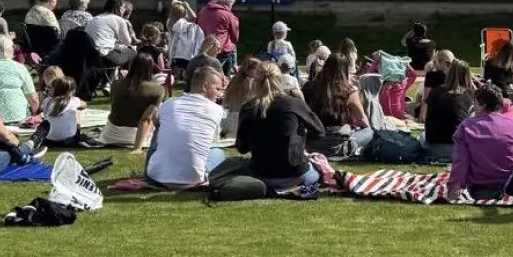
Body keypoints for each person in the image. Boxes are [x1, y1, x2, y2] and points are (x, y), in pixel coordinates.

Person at [234, 60, 325, 190]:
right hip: (296, 174)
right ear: (280, 79)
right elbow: (320, 131)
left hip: (261, 175)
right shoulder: (293, 103)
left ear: (255, 81)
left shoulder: (248, 107)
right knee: (319, 167)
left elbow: (242, 147)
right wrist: (299, 137)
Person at [145, 66, 229, 188]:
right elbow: (214, 139)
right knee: (218, 153)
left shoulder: (169, 103)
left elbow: (155, 121)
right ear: (205, 87)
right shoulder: (217, 110)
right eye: (217, 89)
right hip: (194, 178)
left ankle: (161, 166)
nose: (219, 94)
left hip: (156, 177)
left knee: (160, 127)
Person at [449, 84, 513, 200]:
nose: (473, 106)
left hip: (480, 189)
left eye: (474, 103)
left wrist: (454, 187)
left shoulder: (466, 128)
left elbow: (460, 162)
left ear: (482, 104)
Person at [303, 53, 370, 156]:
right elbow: (362, 120)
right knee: (369, 132)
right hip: (335, 144)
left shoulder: (309, 87)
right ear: (345, 70)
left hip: (311, 142)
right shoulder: (348, 91)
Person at [101, 53, 166, 150]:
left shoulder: (115, 84)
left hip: (110, 135)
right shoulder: (158, 90)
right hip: (135, 137)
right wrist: (137, 148)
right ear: (150, 67)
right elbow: (145, 120)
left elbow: (115, 107)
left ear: (131, 65)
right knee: (159, 108)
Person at [421, 59, 476, 160]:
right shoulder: (469, 97)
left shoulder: (435, 91)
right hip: (458, 149)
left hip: (433, 146)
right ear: (467, 76)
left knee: (422, 135)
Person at [0, 34, 38, 124]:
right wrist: (34, 114)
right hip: (19, 116)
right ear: (9, 49)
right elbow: (33, 98)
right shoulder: (20, 68)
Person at [84, 0, 137, 67]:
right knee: (134, 53)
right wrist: (131, 31)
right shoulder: (119, 20)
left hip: (88, 55)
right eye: (124, 7)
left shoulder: (94, 18)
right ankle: (127, 76)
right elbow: (127, 42)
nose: (124, 10)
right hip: (104, 56)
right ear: (118, 8)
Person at [195, 0, 241, 75]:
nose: (231, 7)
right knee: (222, 73)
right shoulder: (229, 15)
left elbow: (197, 23)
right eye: (232, 5)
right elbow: (235, 37)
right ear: (229, 4)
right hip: (220, 48)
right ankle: (232, 71)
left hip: (204, 45)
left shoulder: (203, 10)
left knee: (204, 71)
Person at [38, 73, 88, 146]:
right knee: (78, 114)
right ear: (72, 90)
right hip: (69, 140)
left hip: (49, 141)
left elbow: (43, 111)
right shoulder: (74, 100)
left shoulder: (47, 101)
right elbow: (84, 105)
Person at [165, 0, 204, 77]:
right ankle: (184, 76)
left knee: (175, 68)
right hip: (185, 50)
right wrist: (188, 6)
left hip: (173, 47)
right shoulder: (186, 24)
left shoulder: (170, 22)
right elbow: (194, 17)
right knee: (186, 68)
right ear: (184, 13)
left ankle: (174, 78)